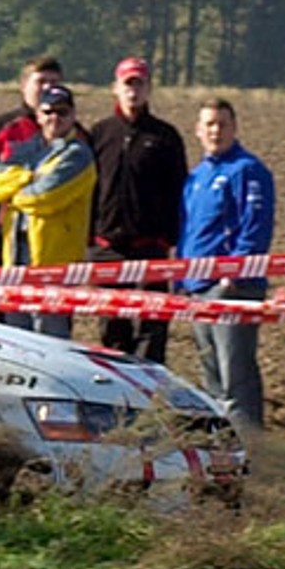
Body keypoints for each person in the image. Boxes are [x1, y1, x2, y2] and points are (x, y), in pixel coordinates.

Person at [180, 99, 276, 428]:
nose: (215, 131)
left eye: (222, 124)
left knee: (236, 374)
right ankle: (223, 448)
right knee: (212, 377)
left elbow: (255, 227)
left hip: (230, 288)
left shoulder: (248, 170)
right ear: (198, 130)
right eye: (209, 124)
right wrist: (182, 275)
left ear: (234, 128)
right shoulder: (196, 176)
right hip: (197, 288)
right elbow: (189, 228)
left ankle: (250, 448)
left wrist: (232, 275)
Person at [89, 56, 187, 362]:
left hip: (151, 250)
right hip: (108, 248)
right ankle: (119, 400)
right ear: (115, 88)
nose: (134, 90)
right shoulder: (99, 134)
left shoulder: (165, 137)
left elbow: (179, 193)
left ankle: (148, 399)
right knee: (113, 331)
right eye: (128, 84)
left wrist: (172, 241)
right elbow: (89, 190)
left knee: (152, 328)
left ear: (149, 89)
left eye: (139, 83)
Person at [0, 83, 97, 338]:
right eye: (48, 111)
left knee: (50, 336)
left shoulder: (78, 155)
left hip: (53, 262)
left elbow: (44, 197)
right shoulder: (25, 150)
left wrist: (14, 191)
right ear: (38, 115)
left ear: (73, 115)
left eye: (62, 112)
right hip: (16, 253)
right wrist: (29, 175)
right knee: (16, 334)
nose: (54, 118)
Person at [0, 55, 63, 249]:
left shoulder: (74, 133)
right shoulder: (0, 128)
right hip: (9, 236)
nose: (47, 88)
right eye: (41, 81)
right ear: (24, 85)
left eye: (53, 82)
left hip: (59, 239)